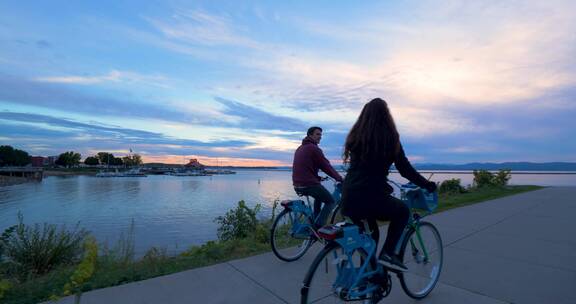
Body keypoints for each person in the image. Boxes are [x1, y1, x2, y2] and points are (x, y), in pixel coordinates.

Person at [340, 98, 436, 271]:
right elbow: (405, 170)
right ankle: (388, 253)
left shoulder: (355, 137)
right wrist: (427, 184)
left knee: (371, 236)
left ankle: (366, 279)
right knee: (403, 212)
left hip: (348, 197)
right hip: (372, 197)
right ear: (386, 116)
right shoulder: (390, 138)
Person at [292, 126, 344, 229]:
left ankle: (316, 218)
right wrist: (340, 178)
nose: (320, 137)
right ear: (310, 135)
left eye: (321, 135)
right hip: (308, 184)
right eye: (317, 134)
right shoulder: (313, 148)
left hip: (297, 184)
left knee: (319, 196)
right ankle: (318, 226)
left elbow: (304, 168)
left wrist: (318, 178)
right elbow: (326, 166)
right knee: (331, 201)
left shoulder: (300, 148)